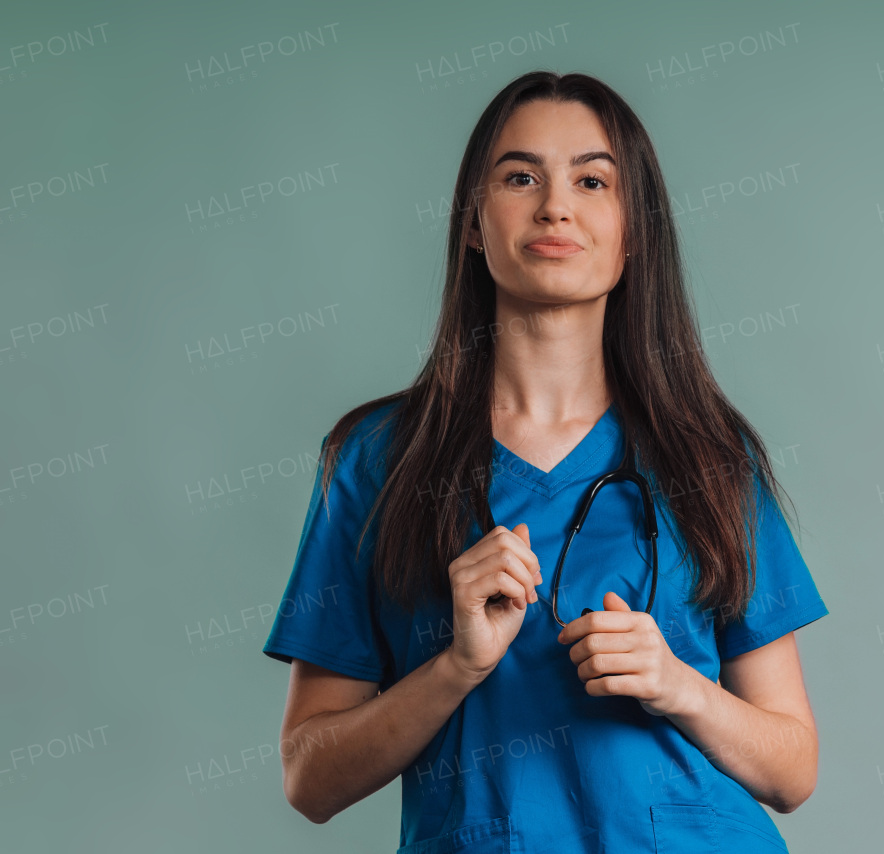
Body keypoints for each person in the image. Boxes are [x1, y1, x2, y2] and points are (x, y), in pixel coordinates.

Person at [262, 70, 829, 854]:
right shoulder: (375, 460)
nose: (555, 206)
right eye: (520, 177)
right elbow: (309, 779)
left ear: (634, 231)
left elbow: (792, 770)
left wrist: (678, 686)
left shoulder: (709, 455)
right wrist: (454, 667)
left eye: (593, 180)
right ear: (472, 221)